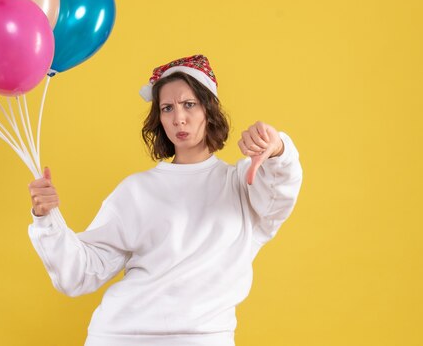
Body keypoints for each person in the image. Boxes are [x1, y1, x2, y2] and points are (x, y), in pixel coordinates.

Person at [27, 54, 303, 346]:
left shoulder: (242, 184)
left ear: (209, 110)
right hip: (121, 335)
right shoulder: (137, 190)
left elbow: (278, 192)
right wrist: (46, 219)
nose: (178, 118)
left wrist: (277, 149)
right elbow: (80, 273)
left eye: (189, 105)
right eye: (167, 108)